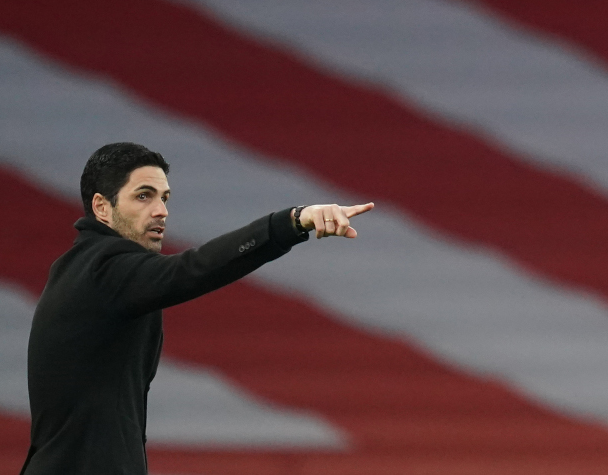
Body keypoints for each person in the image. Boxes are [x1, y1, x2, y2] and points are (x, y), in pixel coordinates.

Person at [19, 142, 373, 475]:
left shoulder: (82, 268)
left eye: (165, 197)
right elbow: (191, 269)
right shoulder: (104, 268)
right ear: (101, 207)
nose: (161, 211)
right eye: (143, 196)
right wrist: (292, 221)